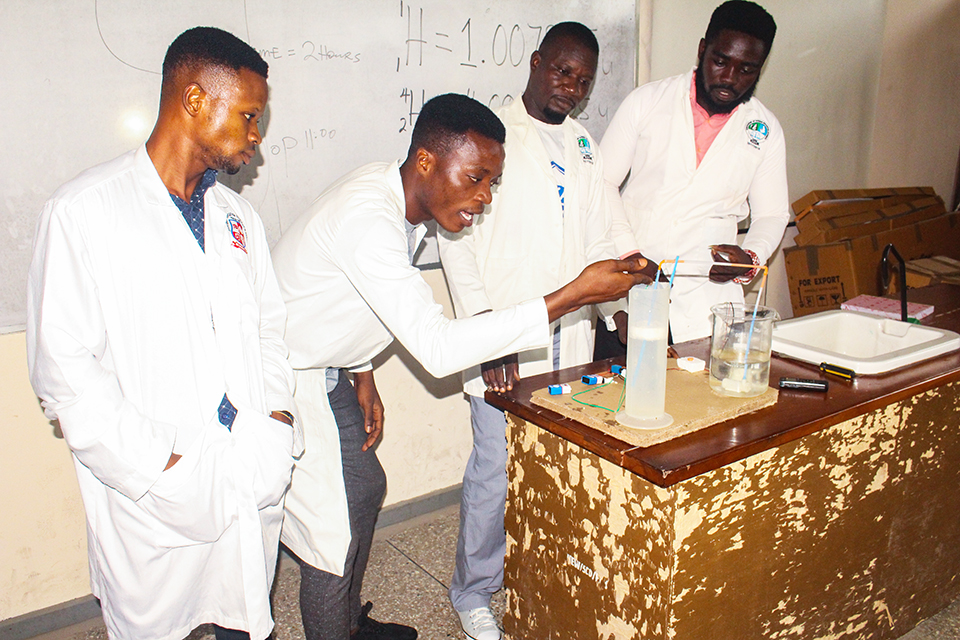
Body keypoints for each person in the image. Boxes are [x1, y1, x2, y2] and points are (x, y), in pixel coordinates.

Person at [271, 93, 649, 640]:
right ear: (426, 160)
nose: (484, 198)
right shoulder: (367, 216)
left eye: (491, 183)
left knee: (364, 488)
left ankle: (349, 622)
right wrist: (571, 295)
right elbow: (438, 348)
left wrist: (363, 372)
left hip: (327, 368)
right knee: (329, 531)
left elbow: (350, 301)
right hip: (279, 379)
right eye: (475, 178)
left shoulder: (395, 199)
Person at [26, 27, 300, 640]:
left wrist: (276, 418)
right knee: (160, 624)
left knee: (244, 619)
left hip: (246, 463)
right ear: (196, 101)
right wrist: (160, 464)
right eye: (249, 116)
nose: (256, 138)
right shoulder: (84, 212)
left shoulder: (238, 218)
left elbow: (268, 331)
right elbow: (63, 373)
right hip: (154, 486)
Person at [435, 22, 624, 640]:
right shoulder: (490, 136)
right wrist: (486, 334)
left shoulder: (584, 145)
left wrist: (621, 294)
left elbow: (599, 235)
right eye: (563, 71)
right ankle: (473, 591)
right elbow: (454, 242)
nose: (570, 87)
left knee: (558, 464)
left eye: (584, 80)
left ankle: (538, 571)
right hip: (504, 344)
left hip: (570, 337)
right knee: (495, 469)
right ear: (537, 62)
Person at [599, 0, 790, 346]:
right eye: (720, 61)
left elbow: (773, 214)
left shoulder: (765, 130)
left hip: (706, 306)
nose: (730, 78)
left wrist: (750, 258)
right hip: (630, 293)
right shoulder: (646, 102)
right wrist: (630, 257)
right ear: (703, 49)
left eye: (747, 69)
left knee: (696, 395)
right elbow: (602, 183)